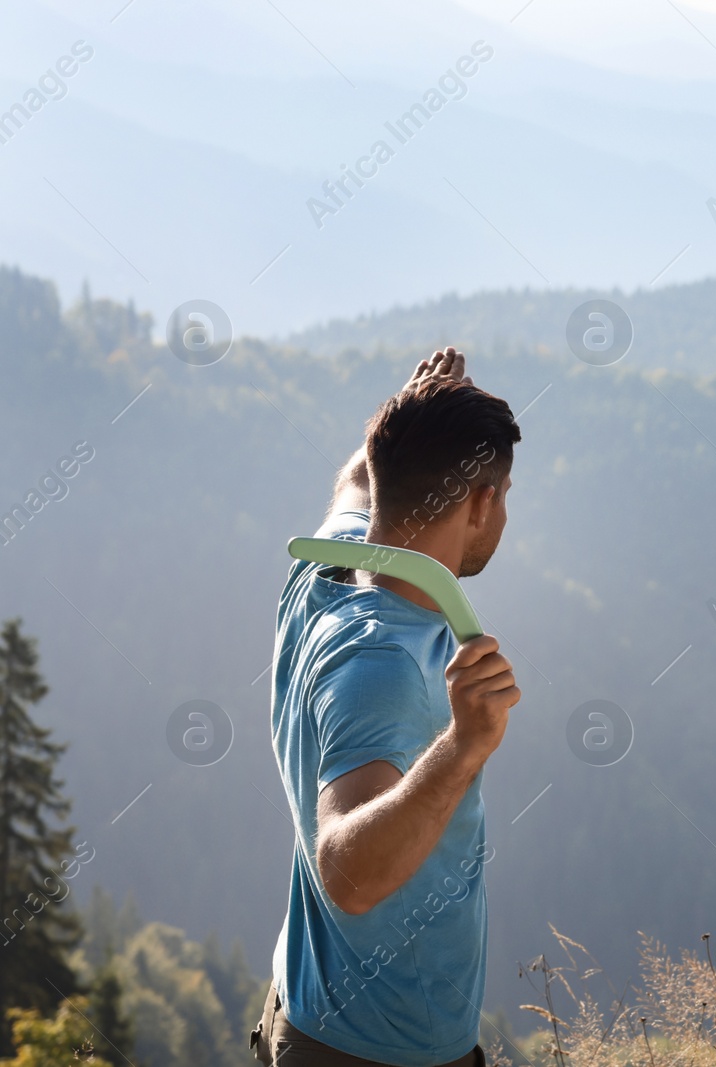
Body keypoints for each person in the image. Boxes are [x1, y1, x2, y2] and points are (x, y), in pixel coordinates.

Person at [254, 349, 523, 1066]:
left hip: (315, 1014)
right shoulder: (386, 666)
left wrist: (409, 411)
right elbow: (348, 872)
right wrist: (463, 746)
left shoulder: (326, 562)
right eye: (504, 493)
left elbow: (355, 477)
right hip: (367, 1052)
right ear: (482, 503)